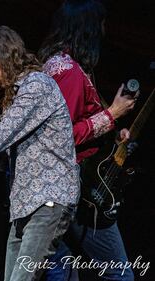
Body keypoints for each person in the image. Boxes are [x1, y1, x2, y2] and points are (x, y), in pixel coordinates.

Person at [0, 25, 80, 281]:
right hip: (24, 207)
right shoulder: (13, 96)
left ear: (0, 54)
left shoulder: (36, 85)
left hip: (47, 200)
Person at [38, 0, 137, 280]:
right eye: (101, 26)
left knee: (63, 273)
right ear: (89, 30)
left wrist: (113, 129)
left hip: (58, 192)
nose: (105, 33)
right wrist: (113, 113)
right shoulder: (68, 71)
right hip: (76, 191)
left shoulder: (64, 66)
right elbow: (61, 135)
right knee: (120, 275)